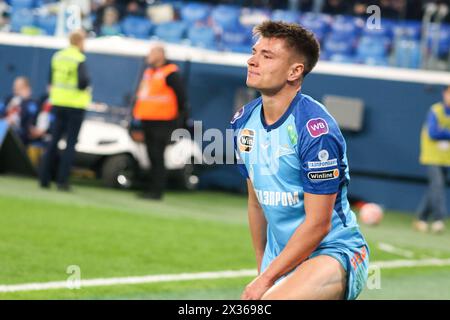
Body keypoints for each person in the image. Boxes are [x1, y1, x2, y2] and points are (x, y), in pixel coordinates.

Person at [230, 21, 369, 300]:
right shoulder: (242, 121)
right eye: (254, 52)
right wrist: (264, 269)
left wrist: (265, 282)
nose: (252, 60)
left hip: (332, 252)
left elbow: (319, 224)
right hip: (283, 254)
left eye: (267, 56)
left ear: (295, 71)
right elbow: (256, 203)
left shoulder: (315, 130)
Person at [132, 44, 187, 200]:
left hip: (162, 121)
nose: (149, 56)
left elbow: (181, 96)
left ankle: (157, 191)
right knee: (150, 155)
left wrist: (179, 118)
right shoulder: (149, 72)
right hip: (147, 119)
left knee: (157, 156)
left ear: (161, 55)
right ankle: (150, 189)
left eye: (152, 53)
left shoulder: (170, 73)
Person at [39, 30, 91, 191]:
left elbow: (50, 80)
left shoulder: (58, 56)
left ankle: (44, 179)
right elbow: (83, 82)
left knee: (53, 141)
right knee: (70, 144)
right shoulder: (79, 58)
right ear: (80, 41)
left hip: (58, 103)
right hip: (75, 106)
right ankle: (62, 181)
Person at [415, 85, 450, 233]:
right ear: (444, 94)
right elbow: (433, 133)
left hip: (446, 158)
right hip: (432, 156)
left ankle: (421, 218)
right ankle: (438, 219)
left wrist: (445, 132)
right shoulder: (435, 110)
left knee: (434, 189)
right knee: (437, 185)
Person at [0, 76, 38, 146]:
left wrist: (24, 101)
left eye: (19, 87)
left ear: (26, 88)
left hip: (18, 133)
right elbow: (1, 112)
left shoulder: (30, 103)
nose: (15, 89)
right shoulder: (8, 99)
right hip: (4, 127)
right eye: (15, 86)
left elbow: (28, 123)